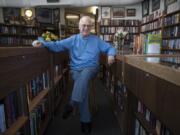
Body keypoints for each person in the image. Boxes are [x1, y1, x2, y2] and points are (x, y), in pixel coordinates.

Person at [32, 15, 116, 134]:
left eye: (88, 25)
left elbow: (110, 48)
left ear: (91, 27)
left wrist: (111, 54)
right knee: (83, 86)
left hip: (91, 68)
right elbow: (57, 45)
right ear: (79, 26)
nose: (85, 27)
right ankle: (85, 120)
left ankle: (72, 103)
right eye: (83, 25)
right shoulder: (73, 39)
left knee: (85, 75)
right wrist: (40, 42)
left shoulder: (96, 40)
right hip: (76, 70)